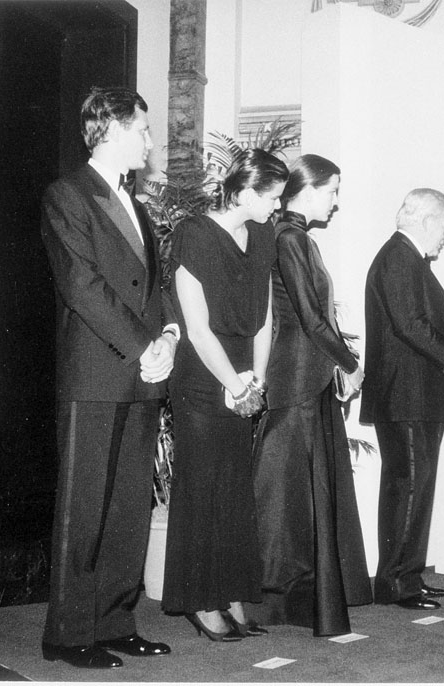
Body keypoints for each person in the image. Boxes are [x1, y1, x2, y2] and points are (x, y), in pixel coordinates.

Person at [40, 87, 175, 669]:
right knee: (86, 505)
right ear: (113, 130)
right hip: (97, 373)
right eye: (143, 130)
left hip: (144, 372)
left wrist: (168, 338)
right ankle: (69, 634)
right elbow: (81, 286)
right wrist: (146, 345)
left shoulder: (137, 205)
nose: (150, 141)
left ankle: (117, 620)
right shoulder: (68, 195)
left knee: (125, 507)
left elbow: (158, 288)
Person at [161, 149, 288, 641]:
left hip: (243, 374)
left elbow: (264, 316)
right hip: (202, 374)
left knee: (235, 488)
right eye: (272, 199)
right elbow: (196, 327)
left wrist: (254, 380)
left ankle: (232, 592)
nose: (276, 209)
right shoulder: (193, 234)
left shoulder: (261, 235)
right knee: (204, 485)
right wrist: (234, 385)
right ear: (247, 193)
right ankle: (201, 600)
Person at [252, 154, 372, 636]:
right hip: (296, 377)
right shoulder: (290, 238)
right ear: (306, 190)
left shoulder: (295, 237)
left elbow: (316, 318)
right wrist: (350, 363)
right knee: (282, 492)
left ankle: (296, 596)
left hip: (306, 375)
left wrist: (337, 362)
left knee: (296, 492)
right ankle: (276, 598)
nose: (336, 201)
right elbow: (310, 317)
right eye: (333, 190)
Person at [360, 188, 444, 610]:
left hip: (416, 396)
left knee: (415, 486)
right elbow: (410, 326)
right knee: (409, 487)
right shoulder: (398, 257)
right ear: (427, 221)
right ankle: (395, 583)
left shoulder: (406, 258)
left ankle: (407, 575)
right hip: (405, 395)